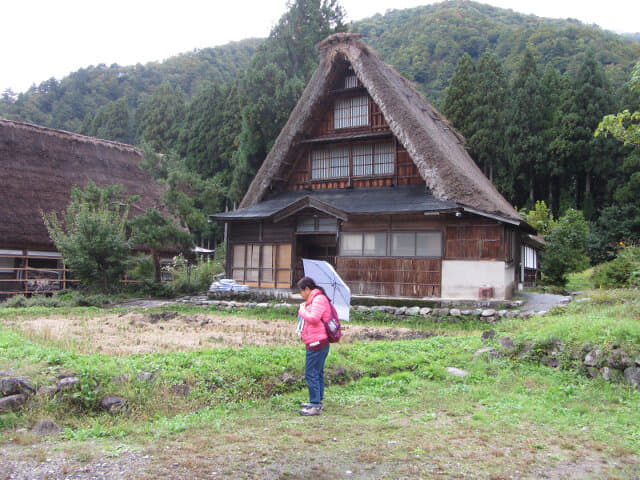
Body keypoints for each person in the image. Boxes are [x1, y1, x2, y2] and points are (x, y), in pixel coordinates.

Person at [296, 276, 332, 416]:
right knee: (317, 372)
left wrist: (302, 310)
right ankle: (316, 402)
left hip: (317, 342)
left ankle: (315, 405)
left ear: (307, 289)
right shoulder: (315, 299)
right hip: (316, 341)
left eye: (301, 292)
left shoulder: (318, 299)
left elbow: (314, 318)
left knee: (311, 373)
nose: (301, 295)